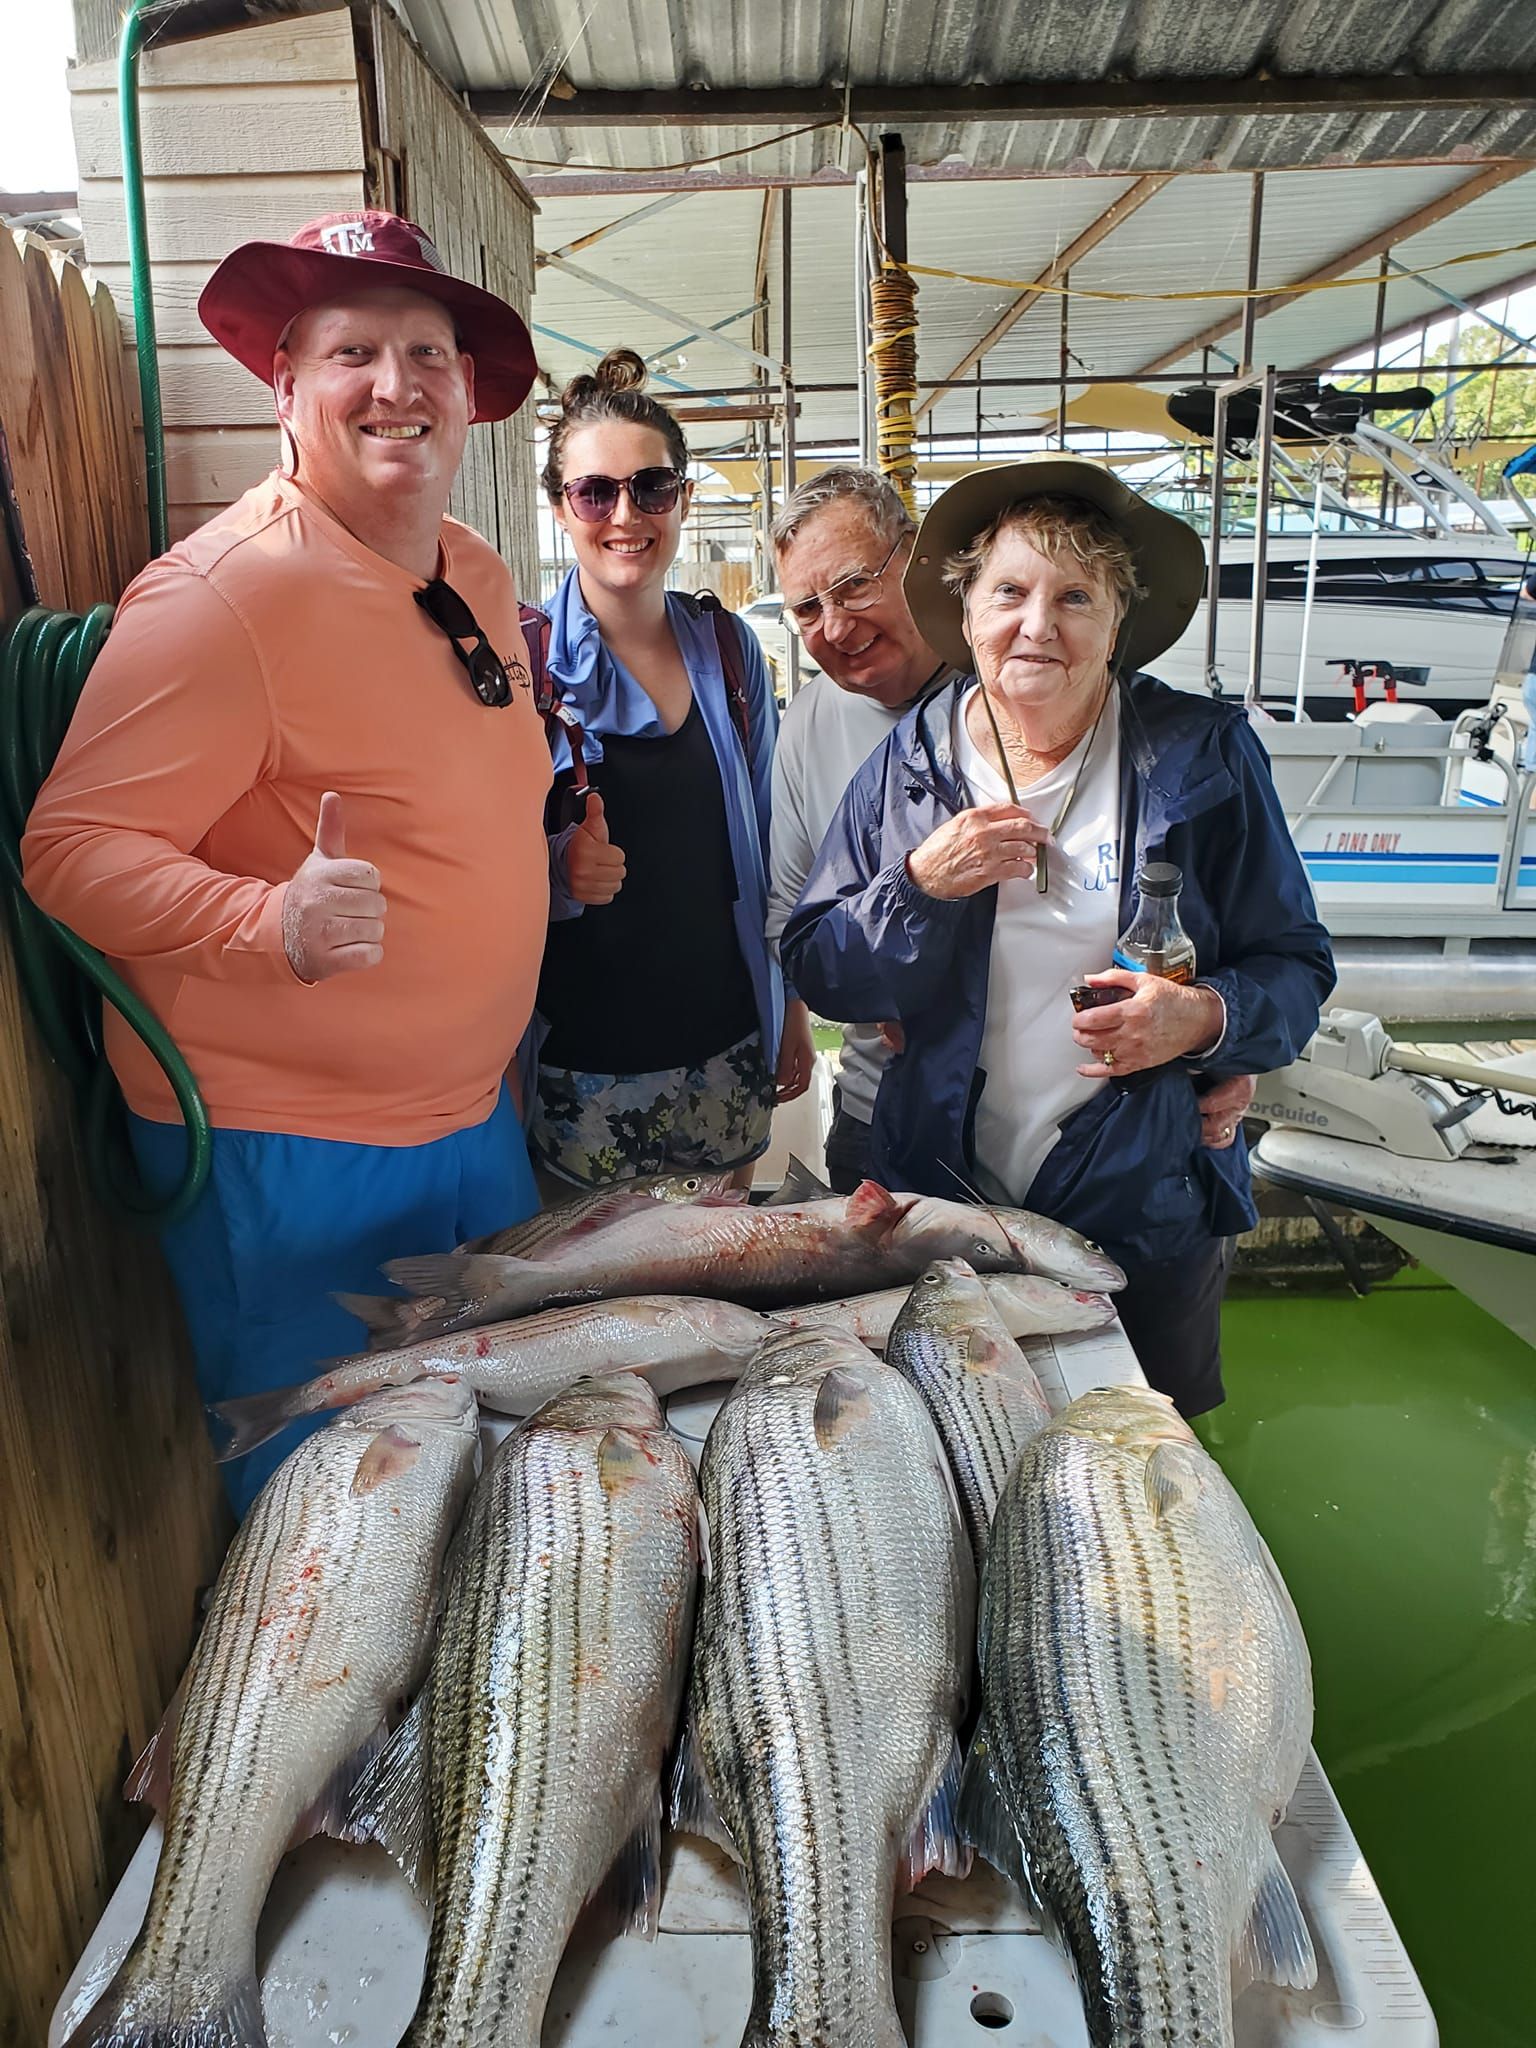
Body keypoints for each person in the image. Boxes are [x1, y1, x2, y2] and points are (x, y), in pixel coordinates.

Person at [23, 211, 550, 1510]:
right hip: (292, 1152)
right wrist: (267, 922)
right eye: (351, 354)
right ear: (286, 387)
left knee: (488, 1484)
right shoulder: (223, 599)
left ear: (468, 393)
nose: (396, 386)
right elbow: (70, 850)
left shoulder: (474, 574)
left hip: (473, 1121)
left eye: (427, 352)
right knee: (337, 1519)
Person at [782, 457, 1335, 1414]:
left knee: (1145, 1468)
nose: (1037, 625)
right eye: (1010, 591)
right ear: (966, 611)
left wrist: (1203, 1020)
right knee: (959, 1451)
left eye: (1075, 596)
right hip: (942, 1198)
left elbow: (1294, 964)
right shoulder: (905, 766)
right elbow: (824, 969)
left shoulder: (1202, 755)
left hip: (1145, 1202)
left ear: (1119, 623)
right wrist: (918, 884)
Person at [530, 349, 786, 1188]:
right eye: (595, 491)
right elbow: (469, 859)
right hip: (581, 1065)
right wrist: (557, 873)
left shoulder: (729, 648)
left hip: (725, 1046)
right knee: (601, 1310)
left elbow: (768, 846)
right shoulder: (520, 665)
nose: (624, 513)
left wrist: (790, 1008)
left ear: (681, 495)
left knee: (723, 1302)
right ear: (562, 508)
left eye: (652, 487)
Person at [765, 467, 966, 1188]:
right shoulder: (811, 719)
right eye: (808, 610)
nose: (837, 627)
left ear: (913, 553)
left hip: (1043, 1116)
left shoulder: (1010, 681)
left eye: (853, 585)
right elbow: (795, 923)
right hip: (874, 1110)